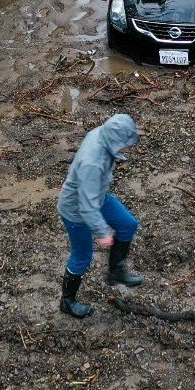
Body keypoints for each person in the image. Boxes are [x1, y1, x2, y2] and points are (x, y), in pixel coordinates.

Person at [57, 113, 145, 318]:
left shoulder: (101, 133)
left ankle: (116, 272)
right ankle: (67, 301)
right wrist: (102, 232)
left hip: (97, 194)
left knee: (128, 224)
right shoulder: (93, 163)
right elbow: (86, 205)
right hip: (76, 209)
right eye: (124, 143)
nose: (127, 147)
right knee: (82, 256)